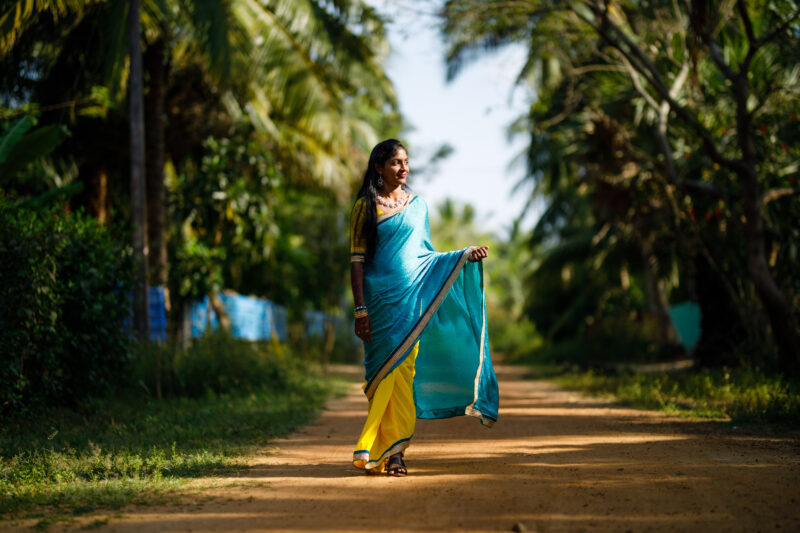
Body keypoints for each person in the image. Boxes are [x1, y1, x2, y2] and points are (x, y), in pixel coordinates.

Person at [349, 139, 499, 477]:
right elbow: (356, 262)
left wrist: (462, 255)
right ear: (378, 167)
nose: (403, 169)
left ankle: (395, 454)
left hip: (410, 303)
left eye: (406, 162)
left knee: (403, 375)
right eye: (395, 163)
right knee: (381, 374)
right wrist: (360, 309)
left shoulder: (418, 207)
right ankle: (382, 447)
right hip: (378, 304)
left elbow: (426, 256)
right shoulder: (364, 207)